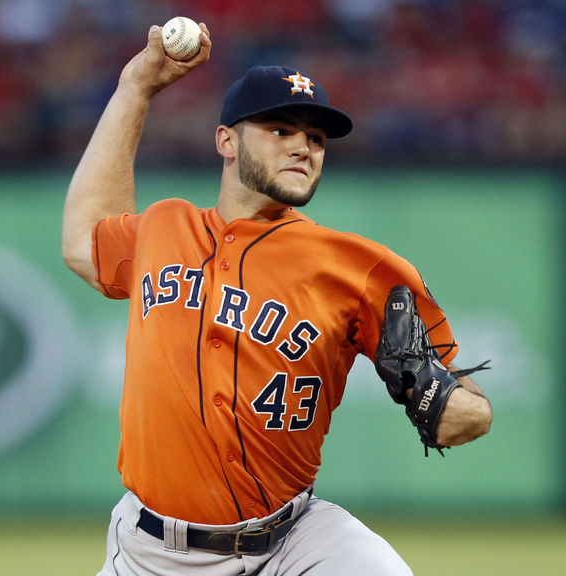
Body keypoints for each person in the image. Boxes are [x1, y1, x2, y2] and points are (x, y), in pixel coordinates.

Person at [62, 22, 492, 576]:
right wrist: (135, 89)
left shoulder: (362, 268)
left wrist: (449, 404)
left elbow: (468, 409)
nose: (303, 147)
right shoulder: (165, 228)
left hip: (295, 541)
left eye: (315, 138)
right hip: (151, 553)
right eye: (280, 129)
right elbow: (82, 240)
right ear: (226, 140)